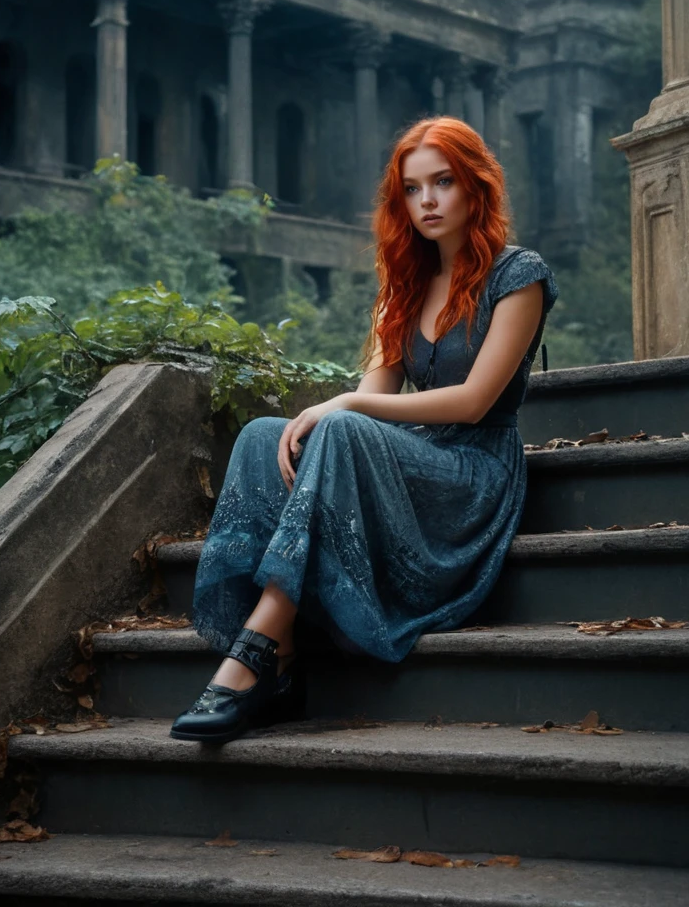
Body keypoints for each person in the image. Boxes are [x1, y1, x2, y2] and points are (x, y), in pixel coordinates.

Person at [170, 116, 557, 743]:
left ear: (475, 186)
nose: (427, 201)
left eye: (443, 182)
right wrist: (342, 407)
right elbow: (375, 396)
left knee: (344, 427)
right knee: (260, 436)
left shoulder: (519, 276)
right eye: (412, 188)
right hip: (407, 460)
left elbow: (473, 402)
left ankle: (254, 653)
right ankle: (286, 655)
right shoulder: (401, 284)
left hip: (473, 472)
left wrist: (344, 405)